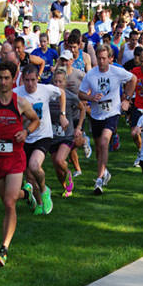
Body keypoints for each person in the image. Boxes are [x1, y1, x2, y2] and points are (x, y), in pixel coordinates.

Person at [0, 61, 40, 267]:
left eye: (7, 78)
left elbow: (35, 120)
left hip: (15, 158)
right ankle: (27, 193)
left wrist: (26, 132)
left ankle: (3, 248)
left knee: (9, 203)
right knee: (6, 200)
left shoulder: (20, 103)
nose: (3, 82)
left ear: (14, 79)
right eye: (0, 78)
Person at [78, 45, 136, 195]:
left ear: (110, 59)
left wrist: (127, 99)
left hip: (112, 113)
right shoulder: (91, 75)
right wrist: (91, 98)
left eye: (104, 58)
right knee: (99, 149)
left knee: (104, 142)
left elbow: (133, 79)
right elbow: (81, 93)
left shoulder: (116, 72)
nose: (102, 61)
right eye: (99, 58)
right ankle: (105, 172)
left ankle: (98, 181)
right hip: (96, 115)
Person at [15, 64, 65, 215]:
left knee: (35, 166)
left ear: (37, 78)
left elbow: (62, 93)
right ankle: (39, 203)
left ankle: (45, 190)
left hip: (43, 135)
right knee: (29, 176)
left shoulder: (46, 89)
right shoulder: (16, 94)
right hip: (24, 137)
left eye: (33, 80)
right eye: (26, 80)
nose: (30, 84)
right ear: (22, 80)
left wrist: (62, 114)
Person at [49, 69, 84, 197]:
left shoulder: (70, 96)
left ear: (65, 82)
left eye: (60, 81)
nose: (57, 84)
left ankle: (68, 172)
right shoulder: (49, 96)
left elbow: (82, 109)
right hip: (52, 136)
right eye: (55, 81)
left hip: (66, 135)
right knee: (57, 167)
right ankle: (66, 188)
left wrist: (78, 127)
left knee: (59, 160)